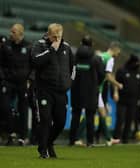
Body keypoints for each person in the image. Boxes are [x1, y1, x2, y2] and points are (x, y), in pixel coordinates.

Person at [31, 23, 75, 158]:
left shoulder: (67, 48)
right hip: (45, 90)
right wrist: (51, 50)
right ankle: (43, 150)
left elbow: (73, 68)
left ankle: (48, 143)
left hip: (61, 91)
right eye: (55, 36)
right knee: (45, 120)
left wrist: (69, 83)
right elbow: (35, 61)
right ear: (48, 34)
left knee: (61, 122)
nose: (57, 39)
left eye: (59, 36)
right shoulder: (39, 45)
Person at [69, 35, 105, 147]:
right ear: (92, 44)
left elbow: (70, 72)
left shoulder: (74, 57)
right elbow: (102, 75)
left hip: (76, 90)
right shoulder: (96, 58)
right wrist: (96, 84)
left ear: (81, 43)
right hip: (91, 91)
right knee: (90, 117)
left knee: (75, 115)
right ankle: (90, 142)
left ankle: (72, 140)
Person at [0, 24, 31, 145]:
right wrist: (2, 77)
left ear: (20, 34)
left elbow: (33, 65)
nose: (10, 34)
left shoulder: (28, 46)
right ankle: (10, 132)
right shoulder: (5, 45)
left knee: (23, 109)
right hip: (8, 82)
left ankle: (23, 136)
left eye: (13, 32)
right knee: (5, 107)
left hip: (23, 83)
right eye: (11, 31)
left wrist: (30, 79)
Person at [113, 54, 140, 143]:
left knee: (129, 120)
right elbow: (115, 83)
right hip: (122, 100)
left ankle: (125, 139)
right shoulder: (122, 71)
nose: (137, 64)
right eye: (136, 62)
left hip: (133, 101)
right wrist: (115, 93)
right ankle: (116, 138)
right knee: (120, 119)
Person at [97, 42, 123, 146]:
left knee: (98, 112)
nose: (118, 54)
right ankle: (76, 137)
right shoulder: (110, 59)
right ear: (115, 49)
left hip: (94, 87)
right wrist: (118, 84)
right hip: (97, 89)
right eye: (118, 52)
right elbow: (108, 76)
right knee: (97, 113)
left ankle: (108, 138)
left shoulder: (100, 56)